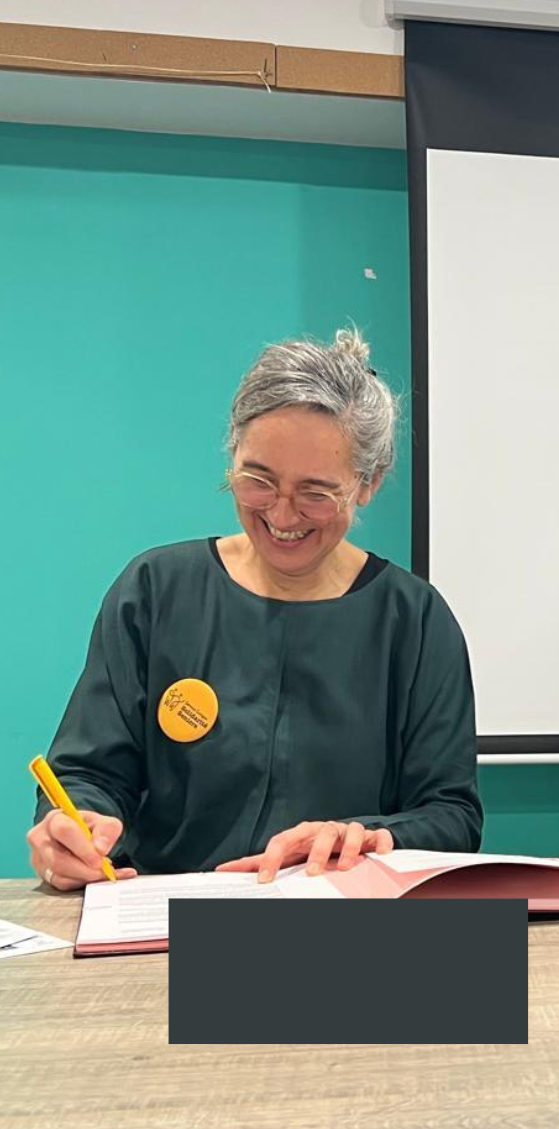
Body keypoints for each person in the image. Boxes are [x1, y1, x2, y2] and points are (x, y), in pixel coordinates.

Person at [27, 329, 482, 890]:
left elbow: (452, 816)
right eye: (258, 481)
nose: (282, 516)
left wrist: (367, 834)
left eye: (316, 493)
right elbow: (87, 774)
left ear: (368, 483)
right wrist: (73, 825)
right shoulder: (154, 591)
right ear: (232, 457)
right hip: (165, 916)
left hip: (345, 917)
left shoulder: (414, 620)